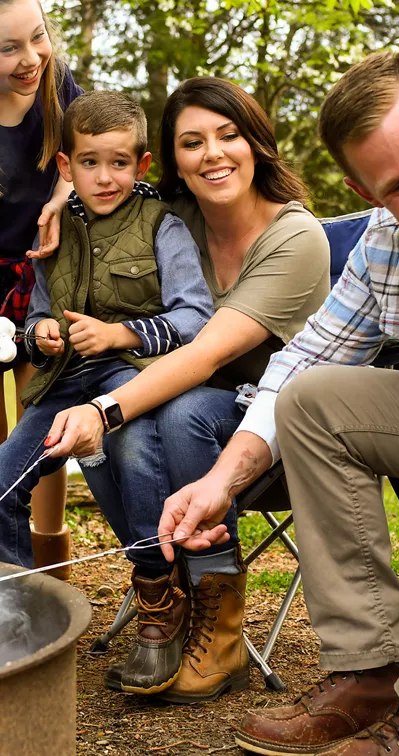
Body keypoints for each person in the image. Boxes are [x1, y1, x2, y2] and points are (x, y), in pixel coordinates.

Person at [127, 52, 399, 754]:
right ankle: (372, 669)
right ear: (363, 189)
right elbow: (301, 360)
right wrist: (219, 482)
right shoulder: (387, 241)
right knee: (311, 399)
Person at [44, 77, 332, 702]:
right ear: (173, 161)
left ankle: (218, 620)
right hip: (187, 406)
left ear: (256, 142)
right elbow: (101, 182)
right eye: (193, 142)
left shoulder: (295, 237)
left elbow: (203, 357)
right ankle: (162, 593)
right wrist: (59, 194)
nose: (214, 154)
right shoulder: (174, 226)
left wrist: (103, 407)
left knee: (166, 417)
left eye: (229, 135)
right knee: (129, 430)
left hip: (286, 426)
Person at [0, 86, 213, 670]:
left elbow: (196, 317)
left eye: (119, 162)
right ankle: (22, 619)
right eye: (89, 163)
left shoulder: (162, 226)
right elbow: (38, 314)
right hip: (66, 383)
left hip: (134, 375)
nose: (105, 177)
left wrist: (121, 334)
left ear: (141, 164)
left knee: (134, 450)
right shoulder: (57, 231)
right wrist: (40, 334)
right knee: (1, 483)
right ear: (67, 166)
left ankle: (157, 600)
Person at [0, 0, 83, 579]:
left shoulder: (56, 83)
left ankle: (50, 558)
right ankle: (4, 566)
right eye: (8, 48)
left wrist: (62, 194)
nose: (31, 59)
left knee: (41, 415)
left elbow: (79, 153)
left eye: (38, 38)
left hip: (40, 266)